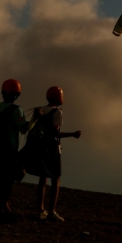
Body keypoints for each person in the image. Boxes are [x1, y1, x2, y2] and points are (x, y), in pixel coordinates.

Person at [29, 86, 81, 222]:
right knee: (55, 179)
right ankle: (52, 211)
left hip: (40, 148)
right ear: (59, 98)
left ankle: (40, 210)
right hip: (53, 149)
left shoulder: (39, 110)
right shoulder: (57, 113)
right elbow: (55, 132)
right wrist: (73, 134)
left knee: (42, 179)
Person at [0, 79, 38, 219]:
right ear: (17, 95)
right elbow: (24, 129)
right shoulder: (17, 110)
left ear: (2, 93)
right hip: (9, 150)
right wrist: (35, 118)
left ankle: (3, 208)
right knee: (8, 180)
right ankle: (3, 208)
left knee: (1, 180)